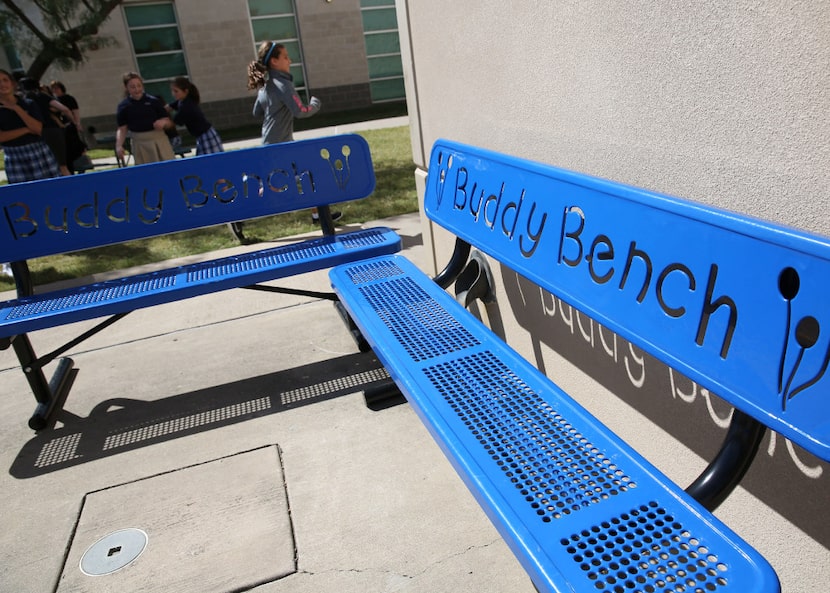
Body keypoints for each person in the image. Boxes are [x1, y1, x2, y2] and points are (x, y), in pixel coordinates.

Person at [247, 41, 339, 224]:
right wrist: (315, 104)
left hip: (273, 142)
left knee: (302, 174)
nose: (290, 60)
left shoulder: (266, 86)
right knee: (275, 185)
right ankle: (241, 215)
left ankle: (317, 215)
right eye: (285, 57)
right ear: (274, 61)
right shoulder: (282, 84)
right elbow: (300, 111)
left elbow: (256, 112)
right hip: (280, 146)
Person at [0, 69, 60, 277]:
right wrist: (24, 129)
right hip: (15, 155)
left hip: (38, 152)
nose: (3, 84)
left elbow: (37, 128)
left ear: (13, 83)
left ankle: (56, 232)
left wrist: (16, 110)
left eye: (5, 80)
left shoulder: (27, 103)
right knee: (20, 199)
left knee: (50, 193)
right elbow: (2, 137)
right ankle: (27, 238)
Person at [115, 72, 175, 165]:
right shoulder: (123, 106)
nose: (137, 89)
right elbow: (122, 129)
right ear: (126, 88)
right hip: (139, 143)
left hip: (159, 140)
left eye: (139, 85)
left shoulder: (154, 101)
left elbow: (168, 122)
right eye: (133, 87)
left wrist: (163, 123)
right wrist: (119, 145)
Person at [19, 77, 75, 176]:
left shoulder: (22, 100)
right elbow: (64, 109)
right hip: (52, 130)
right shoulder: (42, 96)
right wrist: (73, 122)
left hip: (34, 133)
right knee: (62, 164)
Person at [165, 77, 224, 155]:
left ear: (185, 91)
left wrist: (161, 123)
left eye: (176, 91)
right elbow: (168, 107)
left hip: (206, 136)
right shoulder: (182, 101)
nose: (173, 94)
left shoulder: (187, 106)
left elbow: (173, 122)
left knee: (210, 161)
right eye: (172, 91)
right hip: (202, 136)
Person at [49, 80, 88, 173]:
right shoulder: (53, 100)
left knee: (76, 147)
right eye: (53, 89)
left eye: (57, 88)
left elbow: (75, 111)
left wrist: (77, 123)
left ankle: (81, 166)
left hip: (70, 126)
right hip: (61, 129)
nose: (55, 90)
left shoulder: (69, 98)